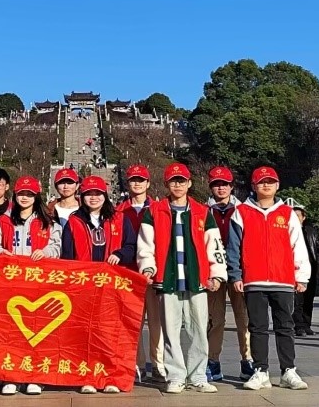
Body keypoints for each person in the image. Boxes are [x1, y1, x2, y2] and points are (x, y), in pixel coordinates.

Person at [137, 163, 224, 395]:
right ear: (166, 184)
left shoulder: (202, 212)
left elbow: (214, 245)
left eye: (182, 180)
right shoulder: (154, 211)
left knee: (199, 330)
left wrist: (217, 273)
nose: (178, 185)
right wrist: (148, 267)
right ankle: (175, 376)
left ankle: (198, 376)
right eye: (174, 181)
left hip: (197, 279)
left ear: (189, 183)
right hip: (168, 279)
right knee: (171, 331)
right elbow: (145, 245)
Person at [227, 166, 310, 392]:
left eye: (270, 182)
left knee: (285, 326)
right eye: (261, 182)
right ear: (253, 186)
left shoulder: (287, 213)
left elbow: (298, 245)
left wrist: (302, 275)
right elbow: (233, 247)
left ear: (277, 185)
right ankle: (261, 370)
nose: (266, 185)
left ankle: (288, 370)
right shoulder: (241, 212)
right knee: (257, 327)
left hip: (283, 279)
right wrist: (235, 274)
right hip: (253, 280)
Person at [61, 175, 136, 394]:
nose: (93, 198)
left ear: (105, 195)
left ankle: (111, 376)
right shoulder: (74, 221)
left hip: (112, 285)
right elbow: (67, 256)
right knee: (86, 332)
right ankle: (88, 377)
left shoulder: (120, 218)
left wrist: (120, 254)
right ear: (82, 196)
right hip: (85, 285)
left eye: (98, 194)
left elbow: (131, 245)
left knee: (111, 331)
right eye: (88, 194)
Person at [0, 175, 62, 396]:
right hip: (11, 283)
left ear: (36, 196)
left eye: (29, 194)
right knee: (11, 331)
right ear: (14, 195)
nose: (24, 198)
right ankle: (11, 376)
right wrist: (1, 252)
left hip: (38, 284)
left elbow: (57, 247)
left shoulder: (48, 222)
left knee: (38, 331)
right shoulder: (3, 220)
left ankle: (35, 377)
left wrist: (46, 252)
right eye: (21, 193)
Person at [205, 166, 252, 382]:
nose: (221, 188)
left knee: (244, 317)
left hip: (239, 270)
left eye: (224, 184)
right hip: (214, 271)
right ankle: (213, 361)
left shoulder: (243, 210)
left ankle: (248, 360)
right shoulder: (204, 211)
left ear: (232, 187)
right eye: (216, 184)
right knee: (215, 318)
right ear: (210, 187)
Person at [120, 164, 165, 384]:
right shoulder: (119, 211)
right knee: (133, 321)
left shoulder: (159, 209)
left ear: (148, 183)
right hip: (129, 274)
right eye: (133, 180)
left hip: (154, 274)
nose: (137, 184)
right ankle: (137, 363)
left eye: (141, 180)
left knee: (157, 321)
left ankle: (158, 364)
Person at [291, 202, 319, 338]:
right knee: (297, 300)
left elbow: (318, 246)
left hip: (311, 269)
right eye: (293, 216)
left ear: (303, 217)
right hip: (295, 270)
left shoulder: (310, 231)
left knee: (309, 299)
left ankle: (307, 325)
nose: (295, 218)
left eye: (298, 216)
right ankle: (298, 326)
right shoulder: (288, 231)